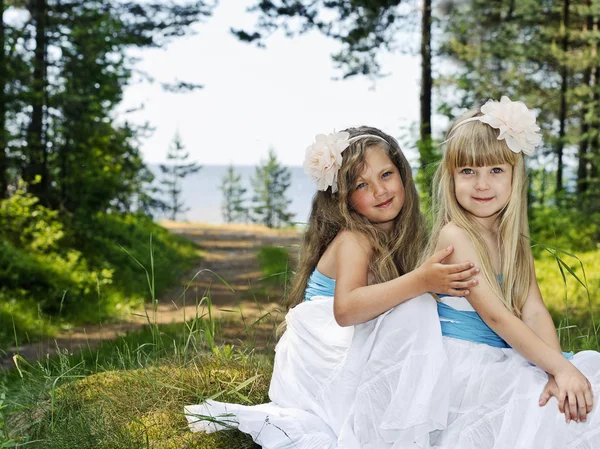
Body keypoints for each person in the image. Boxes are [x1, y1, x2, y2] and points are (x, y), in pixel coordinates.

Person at [185, 126, 478, 448]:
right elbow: (346, 310)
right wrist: (421, 280)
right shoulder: (356, 238)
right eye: (362, 185)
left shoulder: (403, 237)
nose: (380, 190)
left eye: (386, 175)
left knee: (426, 316)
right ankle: (392, 432)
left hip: (347, 351)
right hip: (320, 363)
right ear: (344, 198)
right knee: (417, 306)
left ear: (403, 174)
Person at [426, 96, 600, 449]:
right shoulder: (455, 235)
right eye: (468, 171)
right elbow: (497, 317)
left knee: (579, 393)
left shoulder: (512, 240)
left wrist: (555, 369)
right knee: (538, 414)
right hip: (468, 362)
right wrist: (560, 369)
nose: (482, 184)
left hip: (508, 353)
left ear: (514, 175)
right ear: (451, 176)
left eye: (495, 170)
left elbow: (533, 309)